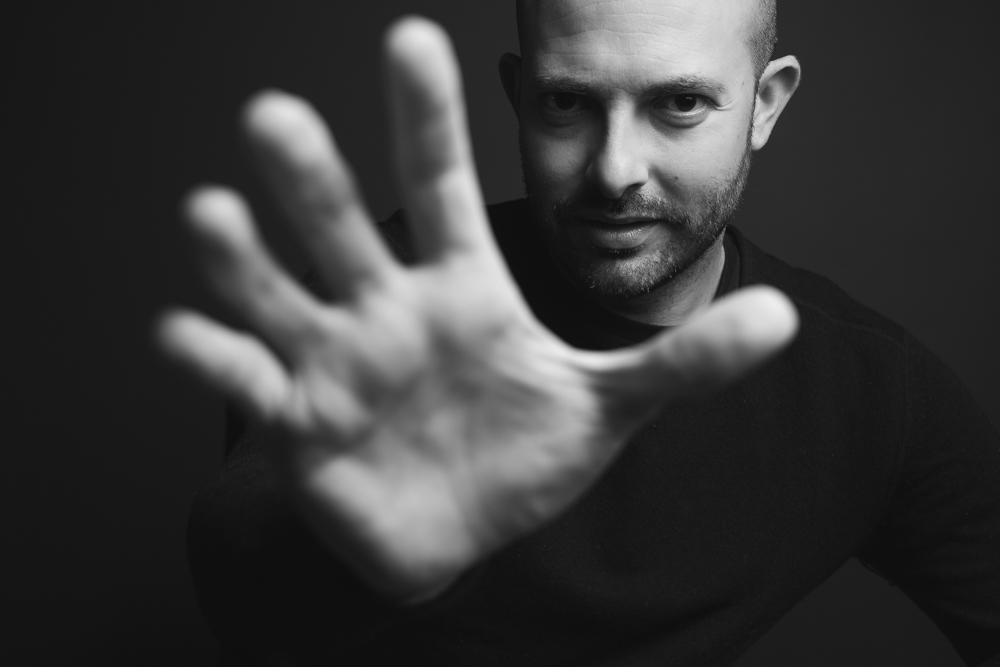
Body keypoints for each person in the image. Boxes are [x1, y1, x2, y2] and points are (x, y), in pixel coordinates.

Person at [157, 0, 1000, 665]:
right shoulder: (394, 298)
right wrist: (356, 558)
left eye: (679, 104)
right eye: (567, 103)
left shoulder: (867, 388)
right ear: (518, 94)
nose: (614, 170)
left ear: (765, 104)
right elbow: (241, 574)